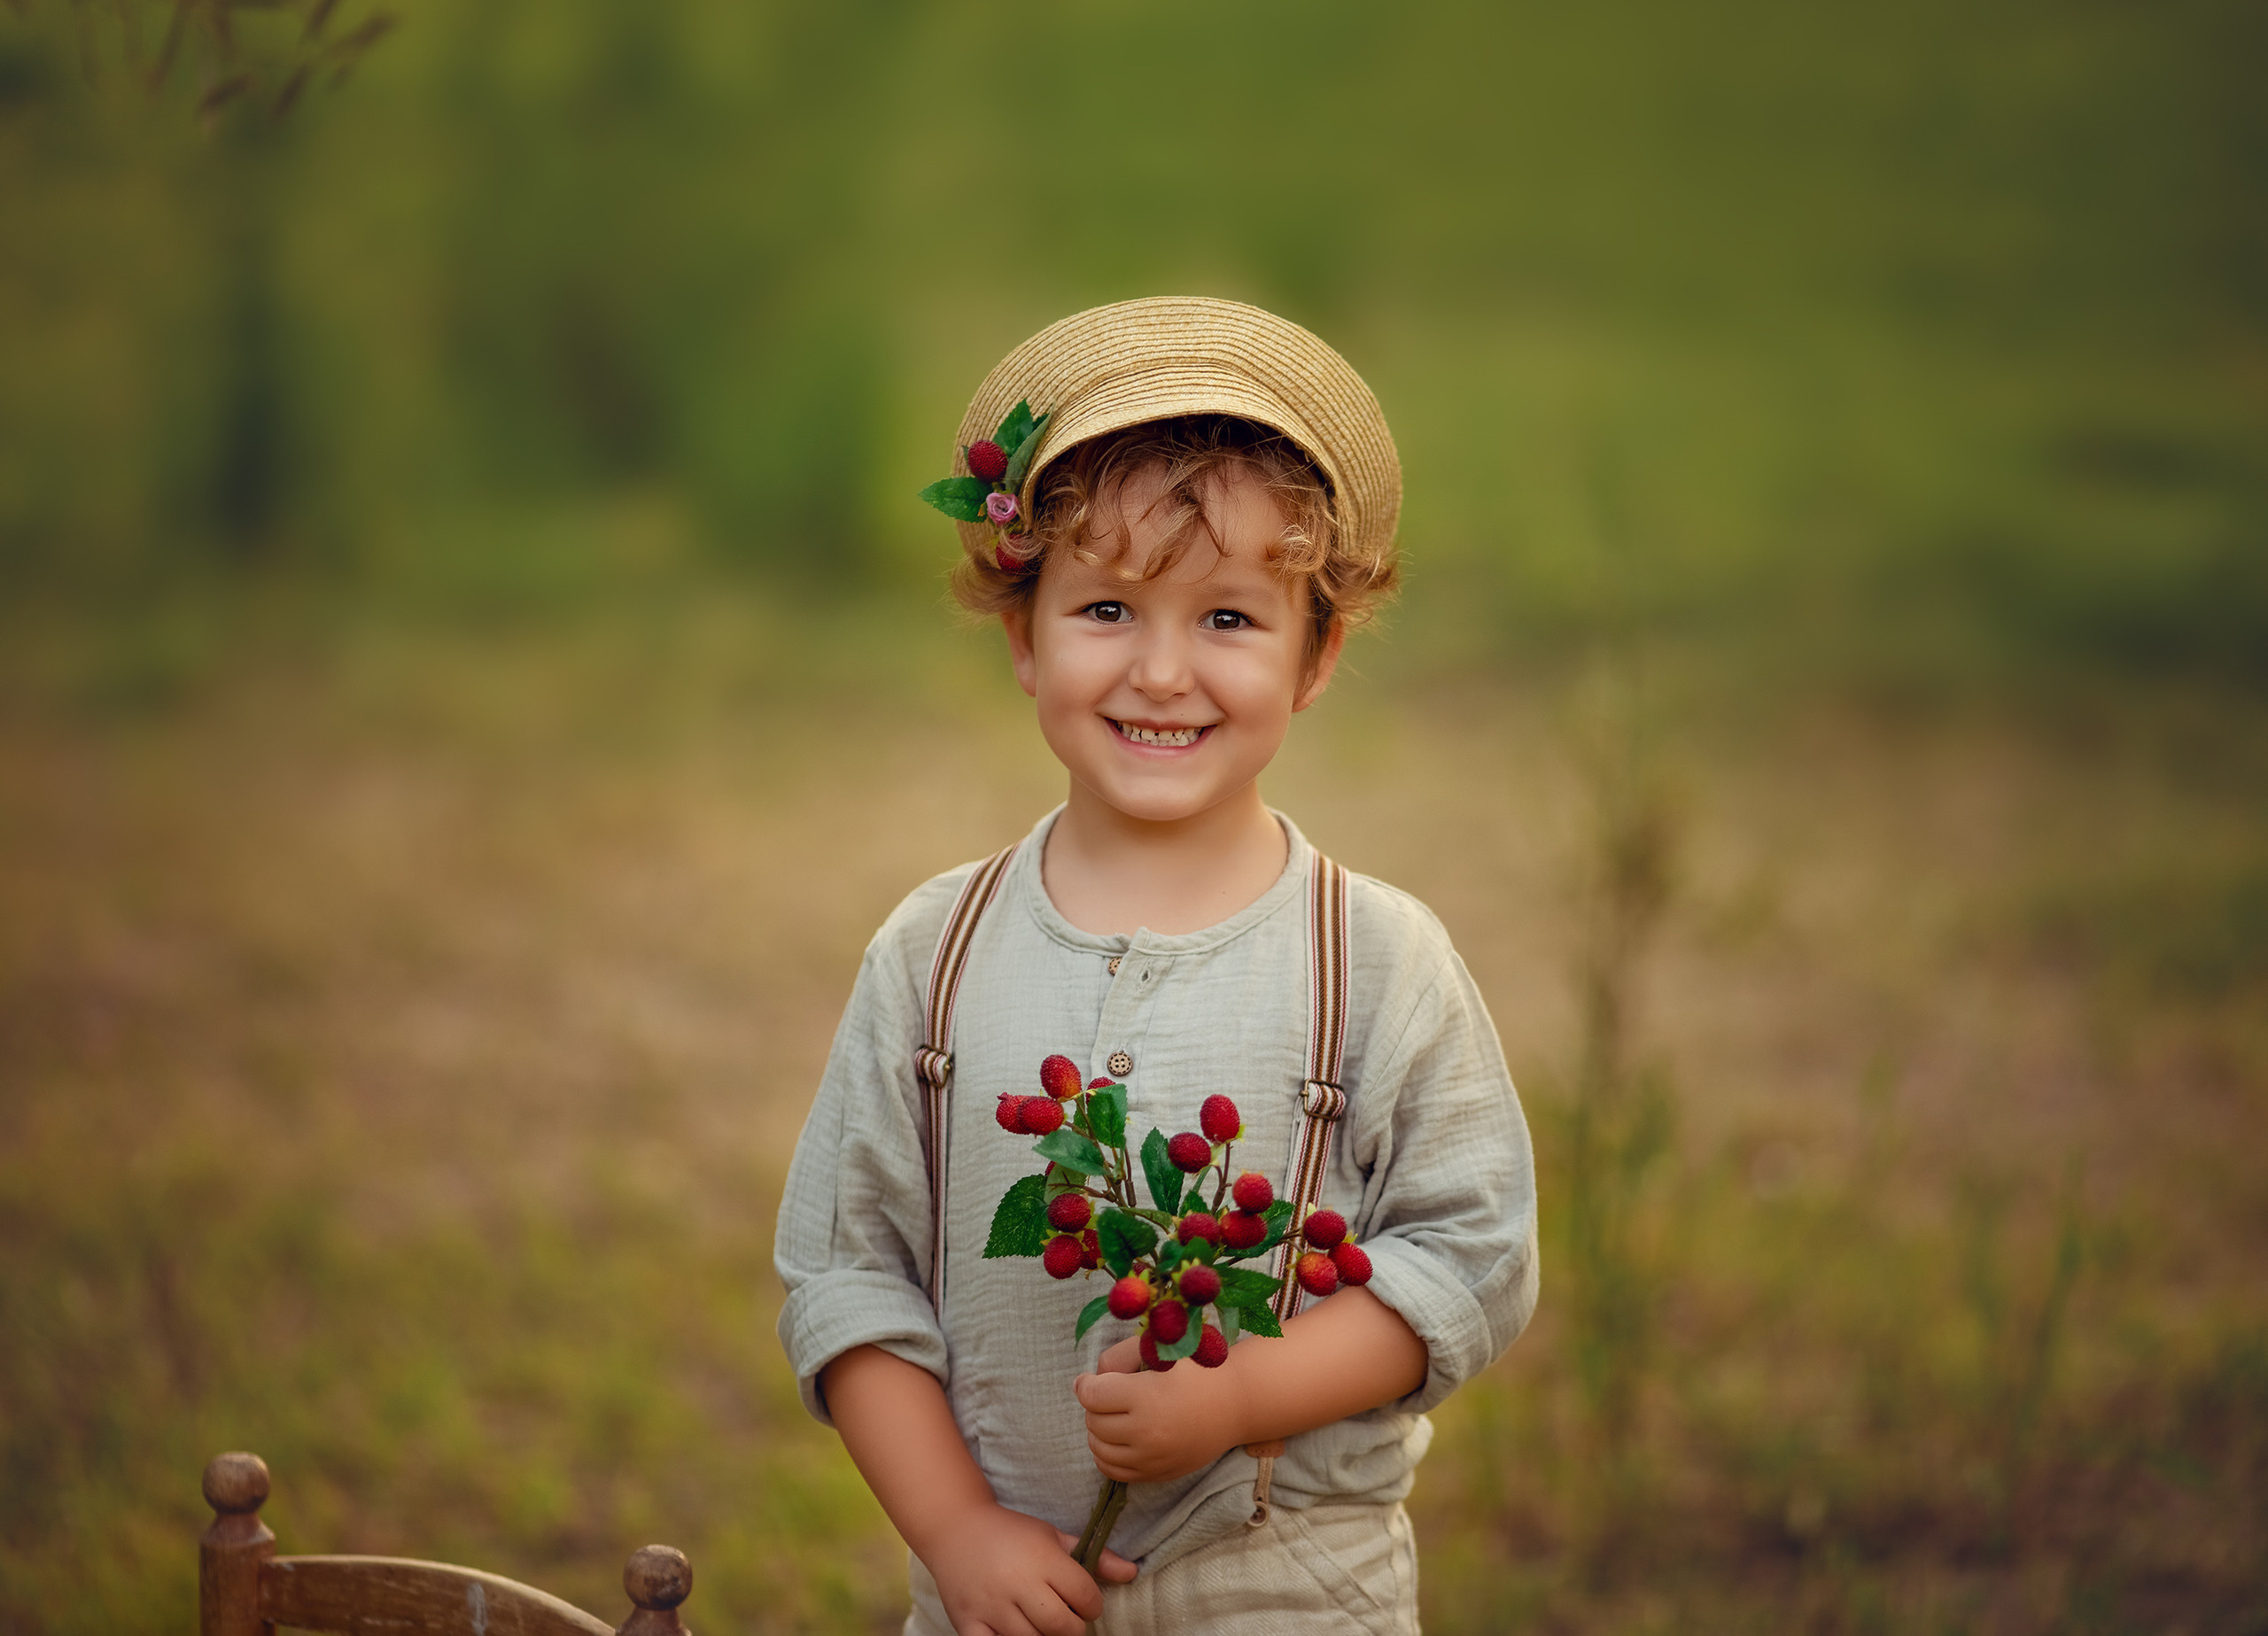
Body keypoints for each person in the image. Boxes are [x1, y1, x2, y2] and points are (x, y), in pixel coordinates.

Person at [775, 298, 1538, 1636]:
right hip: (1001, 1601)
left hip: (1292, 1594)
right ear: (1024, 634)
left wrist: (1240, 1396)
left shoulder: (1377, 960)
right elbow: (849, 1279)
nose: (1163, 669)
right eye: (1108, 607)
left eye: (1232, 619)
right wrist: (957, 1532)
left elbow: (1471, 1255)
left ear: (1318, 656)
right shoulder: (933, 955)